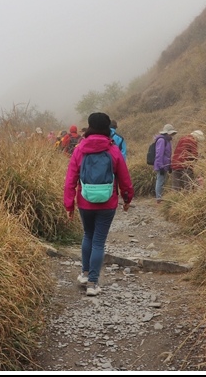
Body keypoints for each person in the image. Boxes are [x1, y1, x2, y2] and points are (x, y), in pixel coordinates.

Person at [64, 112, 134, 296]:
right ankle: (93, 284)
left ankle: (85, 275)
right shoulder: (113, 150)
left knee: (88, 235)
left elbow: (70, 179)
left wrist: (69, 205)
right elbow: (125, 179)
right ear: (106, 128)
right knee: (98, 242)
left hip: (85, 202)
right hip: (107, 203)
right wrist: (127, 199)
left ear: (90, 126)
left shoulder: (79, 149)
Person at [152, 124, 177, 204]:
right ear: (167, 133)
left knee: (162, 181)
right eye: (171, 133)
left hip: (165, 165)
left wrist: (169, 166)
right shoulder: (162, 140)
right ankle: (158, 198)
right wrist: (161, 166)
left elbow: (167, 155)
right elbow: (159, 154)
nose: (172, 135)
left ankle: (159, 197)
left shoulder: (167, 140)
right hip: (161, 165)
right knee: (160, 180)